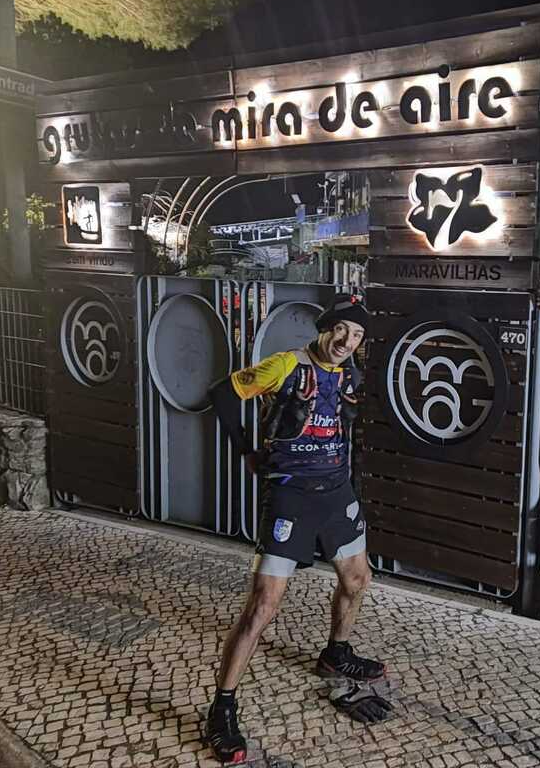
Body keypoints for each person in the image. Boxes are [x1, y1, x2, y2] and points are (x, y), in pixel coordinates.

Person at [203, 292, 391, 764]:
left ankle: (336, 653)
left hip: (336, 493)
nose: (347, 341)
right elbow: (222, 393)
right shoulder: (286, 365)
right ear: (324, 328)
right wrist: (246, 451)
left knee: (357, 579)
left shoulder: (349, 373)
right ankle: (221, 708)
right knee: (262, 606)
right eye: (341, 330)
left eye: (357, 335)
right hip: (290, 495)